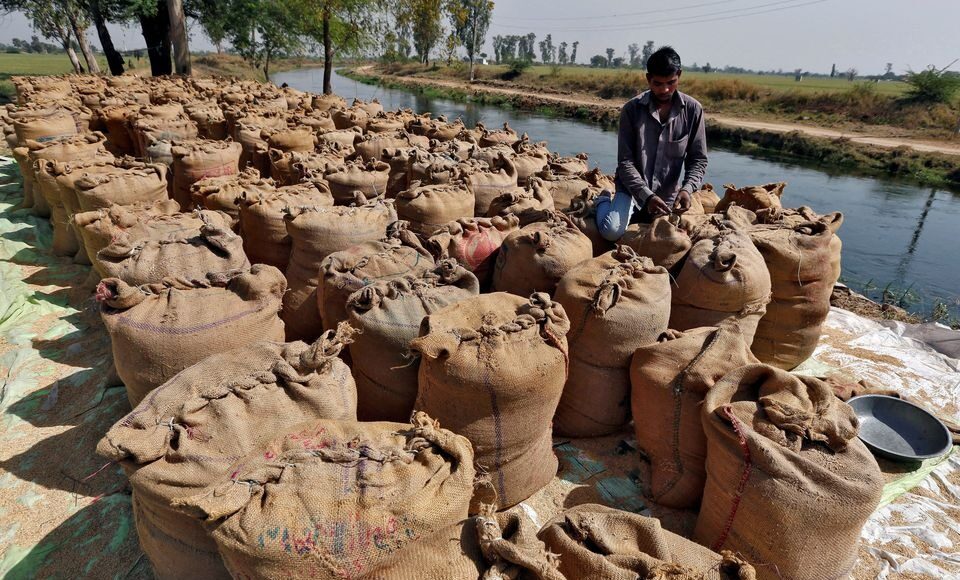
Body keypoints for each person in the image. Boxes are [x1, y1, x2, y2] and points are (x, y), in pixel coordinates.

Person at [596, 46, 708, 241]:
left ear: (679, 76)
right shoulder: (632, 110)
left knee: (678, 240)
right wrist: (646, 196)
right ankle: (602, 201)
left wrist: (687, 189)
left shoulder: (693, 110)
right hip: (632, 190)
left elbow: (698, 160)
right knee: (612, 231)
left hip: (667, 195)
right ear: (648, 79)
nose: (664, 89)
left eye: (670, 83)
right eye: (657, 83)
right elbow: (625, 163)